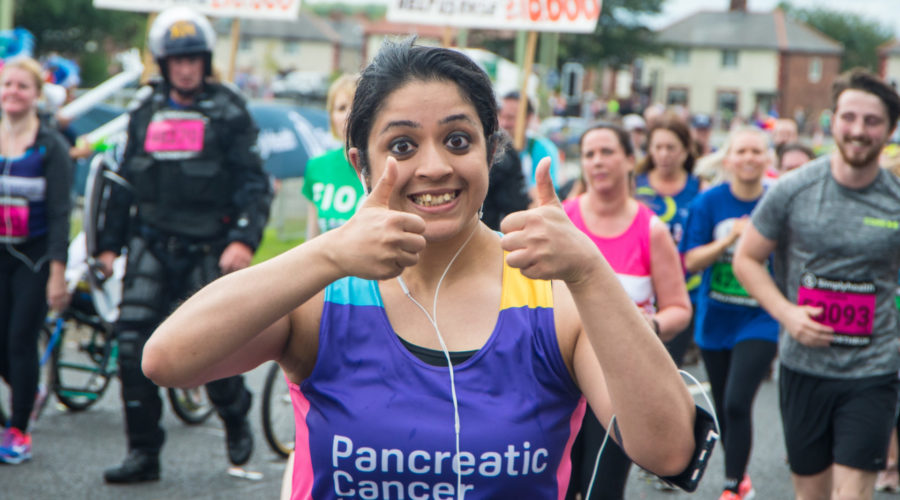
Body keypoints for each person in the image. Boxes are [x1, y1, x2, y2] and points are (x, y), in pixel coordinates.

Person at [141, 39, 702, 499]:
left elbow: (669, 449)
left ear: (491, 149)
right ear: (359, 162)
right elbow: (167, 360)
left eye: (458, 140)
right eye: (402, 145)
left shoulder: (552, 297)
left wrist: (589, 272)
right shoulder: (325, 292)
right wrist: (329, 253)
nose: (434, 166)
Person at [95, 7, 272, 483]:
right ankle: (143, 455)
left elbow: (255, 186)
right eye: (177, 60)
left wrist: (242, 242)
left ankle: (236, 415)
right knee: (132, 347)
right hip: (150, 243)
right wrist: (108, 248)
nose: (186, 68)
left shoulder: (230, 111)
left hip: (209, 249)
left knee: (211, 351)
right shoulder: (144, 111)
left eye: (194, 58)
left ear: (205, 59)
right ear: (163, 63)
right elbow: (124, 183)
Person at [733, 68, 900, 500]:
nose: (858, 131)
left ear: (890, 130)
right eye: (849, 118)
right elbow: (746, 259)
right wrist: (787, 314)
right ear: (832, 120)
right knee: (811, 495)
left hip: (874, 369)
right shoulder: (793, 189)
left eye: (872, 121)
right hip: (804, 367)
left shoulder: (895, 200)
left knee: (854, 494)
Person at [563, 123, 692, 500]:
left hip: (619, 383)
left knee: (602, 489)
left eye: (607, 152)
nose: (597, 162)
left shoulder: (650, 229)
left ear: (630, 161)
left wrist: (644, 325)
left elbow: (679, 310)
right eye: (589, 154)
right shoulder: (561, 220)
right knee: (558, 486)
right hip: (560, 380)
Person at [681, 127, 779, 500]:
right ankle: (740, 473)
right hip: (715, 318)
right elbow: (690, 261)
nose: (750, 158)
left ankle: (732, 485)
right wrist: (730, 239)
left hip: (760, 317)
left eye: (757, 151)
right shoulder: (709, 204)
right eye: (742, 151)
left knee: (738, 400)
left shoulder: (776, 201)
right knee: (723, 405)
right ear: (729, 159)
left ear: (767, 159)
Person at [0, 57, 72, 464]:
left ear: (36, 95)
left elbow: (62, 212)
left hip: (34, 256)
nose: (12, 92)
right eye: (7, 84)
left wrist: (57, 274)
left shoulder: (50, 146)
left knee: (19, 340)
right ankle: (31, 393)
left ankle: (19, 428)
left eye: (22, 86)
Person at [634, 117, 702, 367]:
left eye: (671, 148)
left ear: (685, 151)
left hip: (684, 290)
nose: (664, 154)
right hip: (640, 289)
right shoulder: (634, 183)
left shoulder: (699, 188)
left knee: (668, 367)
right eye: (658, 147)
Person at [303, 74, 364, 240]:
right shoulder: (317, 166)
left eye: (356, 106)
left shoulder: (385, 166)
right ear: (331, 116)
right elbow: (312, 238)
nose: (348, 116)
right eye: (341, 108)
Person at [498, 90, 562, 198]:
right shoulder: (493, 148)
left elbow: (541, 195)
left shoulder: (542, 149)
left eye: (511, 118)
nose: (504, 124)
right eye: (501, 117)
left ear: (528, 118)